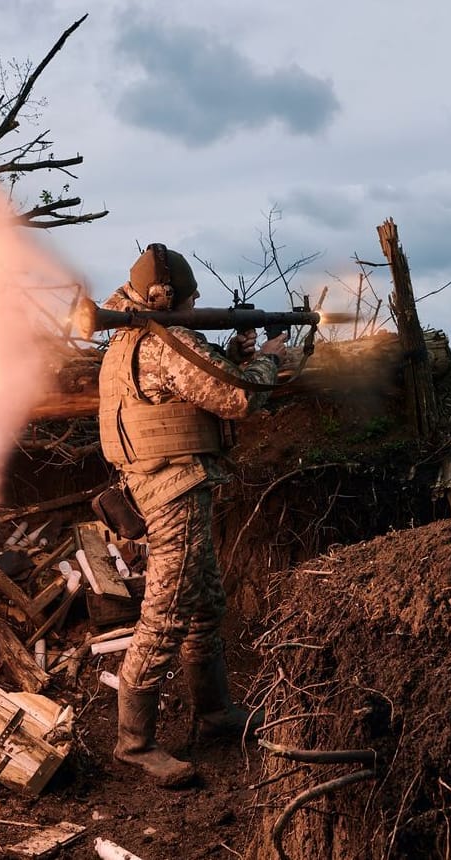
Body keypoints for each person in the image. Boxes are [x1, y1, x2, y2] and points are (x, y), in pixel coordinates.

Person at [97, 243, 290, 787]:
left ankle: (215, 714)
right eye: (191, 296)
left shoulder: (128, 336)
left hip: (161, 483)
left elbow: (192, 380)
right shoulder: (165, 340)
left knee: (204, 602)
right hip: (173, 490)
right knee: (166, 613)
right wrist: (269, 356)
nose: (197, 301)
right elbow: (239, 397)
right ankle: (133, 743)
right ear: (167, 296)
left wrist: (233, 348)